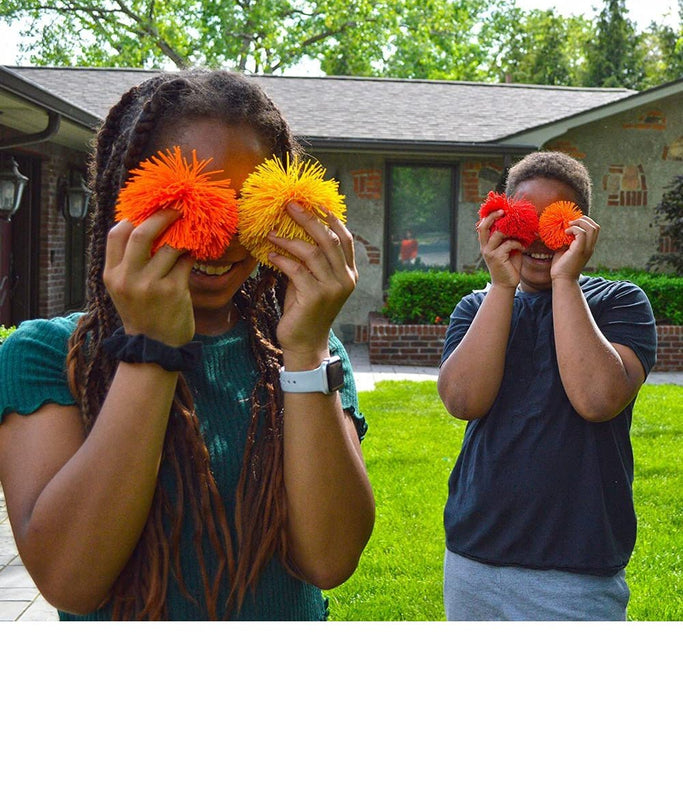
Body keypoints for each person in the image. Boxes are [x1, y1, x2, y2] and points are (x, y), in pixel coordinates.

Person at [0, 70, 375, 621]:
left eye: (249, 204)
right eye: (189, 201)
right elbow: (70, 581)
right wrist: (150, 348)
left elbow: (330, 560)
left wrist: (307, 351)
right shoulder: (45, 356)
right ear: (124, 202)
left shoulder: (308, 350)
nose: (218, 238)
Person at [437, 151, 657, 621]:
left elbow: (598, 399)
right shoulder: (476, 307)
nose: (538, 238)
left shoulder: (620, 302)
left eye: (554, 221)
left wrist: (565, 281)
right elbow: (462, 400)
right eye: (523, 220)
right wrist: (501, 286)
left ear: (582, 227)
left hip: (577, 567)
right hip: (475, 557)